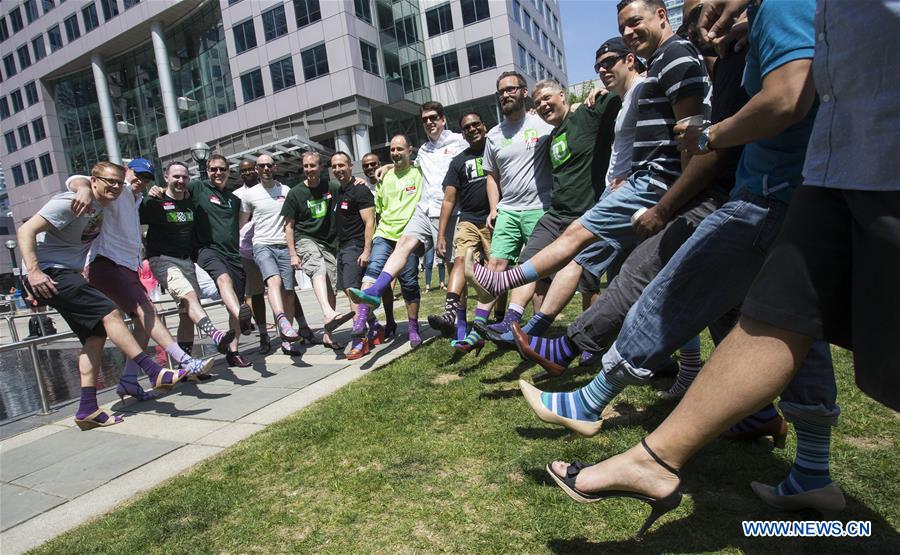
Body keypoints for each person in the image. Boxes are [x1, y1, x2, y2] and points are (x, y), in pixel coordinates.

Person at [536, 0, 856, 535]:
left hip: (767, 196)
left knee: (672, 287)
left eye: (701, 3)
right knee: (793, 331)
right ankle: (812, 473)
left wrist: (709, 137)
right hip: (801, 193)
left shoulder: (776, 8)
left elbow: (786, 98)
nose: (698, 11)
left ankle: (606, 416)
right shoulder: (752, 26)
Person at [512, 3, 749, 393]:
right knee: (696, 296)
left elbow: (693, 142)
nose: (629, 31)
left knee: (640, 276)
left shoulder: (673, 57)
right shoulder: (672, 62)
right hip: (684, 190)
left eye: (634, 22)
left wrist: (669, 206)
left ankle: (569, 353)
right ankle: (749, 409)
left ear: (661, 15)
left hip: (684, 190)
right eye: (623, 26)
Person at [468, 0, 711, 344]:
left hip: (645, 188)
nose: (602, 70)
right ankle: (538, 332)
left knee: (607, 264)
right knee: (639, 276)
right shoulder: (564, 128)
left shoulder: (629, 89)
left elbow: (692, 134)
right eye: (598, 67)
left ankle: (562, 338)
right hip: (606, 198)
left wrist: (674, 198)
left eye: (609, 63)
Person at [18, 162, 187, 429]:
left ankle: (87, 410)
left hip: (66, 273)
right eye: (109, 182)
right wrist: (34, 271)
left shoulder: (104, 206)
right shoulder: (70, 202)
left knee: (95, 336)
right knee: (110, 312)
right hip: (51, 273)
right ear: (93, 180)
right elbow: (25, 230)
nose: (115, 187)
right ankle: (153, 370)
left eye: (118, 183)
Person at [471, 74, 623, 357]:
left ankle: (588, 342)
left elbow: (621, 97)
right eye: (538, 102)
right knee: (531, 260)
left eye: (547, 98)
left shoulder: (587, 115)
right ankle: (512, 322)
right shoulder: (551, 134)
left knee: (587, 279)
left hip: (587, 212)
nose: (542, 105)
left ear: (563, 96)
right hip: (556, 213)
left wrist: (603, 90)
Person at [67, 158, 213, 400]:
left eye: (146, 178)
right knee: (147, 311)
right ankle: (184, 361)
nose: (140, 181)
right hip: (106, 263)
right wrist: (82, 188)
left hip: (124, 266)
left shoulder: (135, 199)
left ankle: (127, 381)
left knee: (130, 326)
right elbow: (76, 180)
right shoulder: (119, 189)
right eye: (137, 175)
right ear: (126, 172)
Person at [348, 103, 468, 347]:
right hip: (424, 211)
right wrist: (388, 166)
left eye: (434, 118)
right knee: (403, 243)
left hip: (450, 213)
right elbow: (405, 163)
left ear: (443, 120)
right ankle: (373, 292)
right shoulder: (423, 150)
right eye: (425, 119)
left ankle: (461, 325)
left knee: (455, 268)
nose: (430, 122)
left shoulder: (459, 141)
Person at [142, 162, 238, 363]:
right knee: (190, 295)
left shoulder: (191, 202)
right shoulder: (154, 202)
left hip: (186, 261)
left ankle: (185, 366)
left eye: (184, 177)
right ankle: (217, 335)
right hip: (162, 260)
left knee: (187, 313)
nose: (180, 181)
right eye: (176, 176)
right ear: (166, 177)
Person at [346, 135, 425, 345]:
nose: (396, 153)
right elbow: (379, 212)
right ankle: (361, 320)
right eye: (392, 150)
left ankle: (413, 327)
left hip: (408, 236)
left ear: (410, 150)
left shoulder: (419, 172)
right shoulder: (384, 178)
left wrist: (389, 165)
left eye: (400, 149)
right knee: (373, 271)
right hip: (385, 233)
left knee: (409, 284)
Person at [238, 154, 319, 358]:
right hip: (262, 245)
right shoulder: (249, 195)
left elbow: (294, 219)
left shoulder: (286, 190)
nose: (265, 169)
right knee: (273, 281)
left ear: (274, 168)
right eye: (261, 166)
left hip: (284, 246)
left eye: (268, 165)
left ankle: (287, 338)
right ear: (257, 169)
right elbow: (241, 225)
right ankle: (282, 320)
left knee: (289, 292)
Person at [427, 112, 491, 346]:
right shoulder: (458, 161)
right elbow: (448, 200)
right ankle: (450, 313)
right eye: (467, 127)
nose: (472, 129)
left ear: (484, 126)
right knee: (461, 261)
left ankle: (498, 321)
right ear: (462, 133)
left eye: (476, 124)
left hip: (495, 219)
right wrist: (441, 235)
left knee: (497, 269)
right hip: (468, 220)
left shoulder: (495, 150)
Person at [282, 152, 355, 350]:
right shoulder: (295, 193)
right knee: (318, 267)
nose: (309, 170)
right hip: (305, 239)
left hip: (329, 243)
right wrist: (293, 254)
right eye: (306, 166)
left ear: (321, 167)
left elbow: (349, 186)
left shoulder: (330, 187)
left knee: (331, 285)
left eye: (312, 166)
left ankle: (328, 334)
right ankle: (328, 312)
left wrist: (361, 182)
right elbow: (288, 226)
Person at [328, 152, 382, 359]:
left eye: (342, 165)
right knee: (350, 291)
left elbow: (370, 221)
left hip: (356, 246)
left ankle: (359, 340)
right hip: (343, 248)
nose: (338, 169)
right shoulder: (339, 191)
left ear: (351, 166)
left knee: (352, 291)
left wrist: (367, 250)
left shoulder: (360, 190)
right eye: (334, 166)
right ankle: (375, 325)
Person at [232, 160, 272, 354]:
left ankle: (300, 327)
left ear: (256, 170)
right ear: (239, 174)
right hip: (246, 251)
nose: (247, 172)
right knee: (256, 294)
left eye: (250, 169)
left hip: (269, 245)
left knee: (282, 289)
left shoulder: (269, 189)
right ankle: (263, 335)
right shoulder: (236, 196)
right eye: (243, 170)